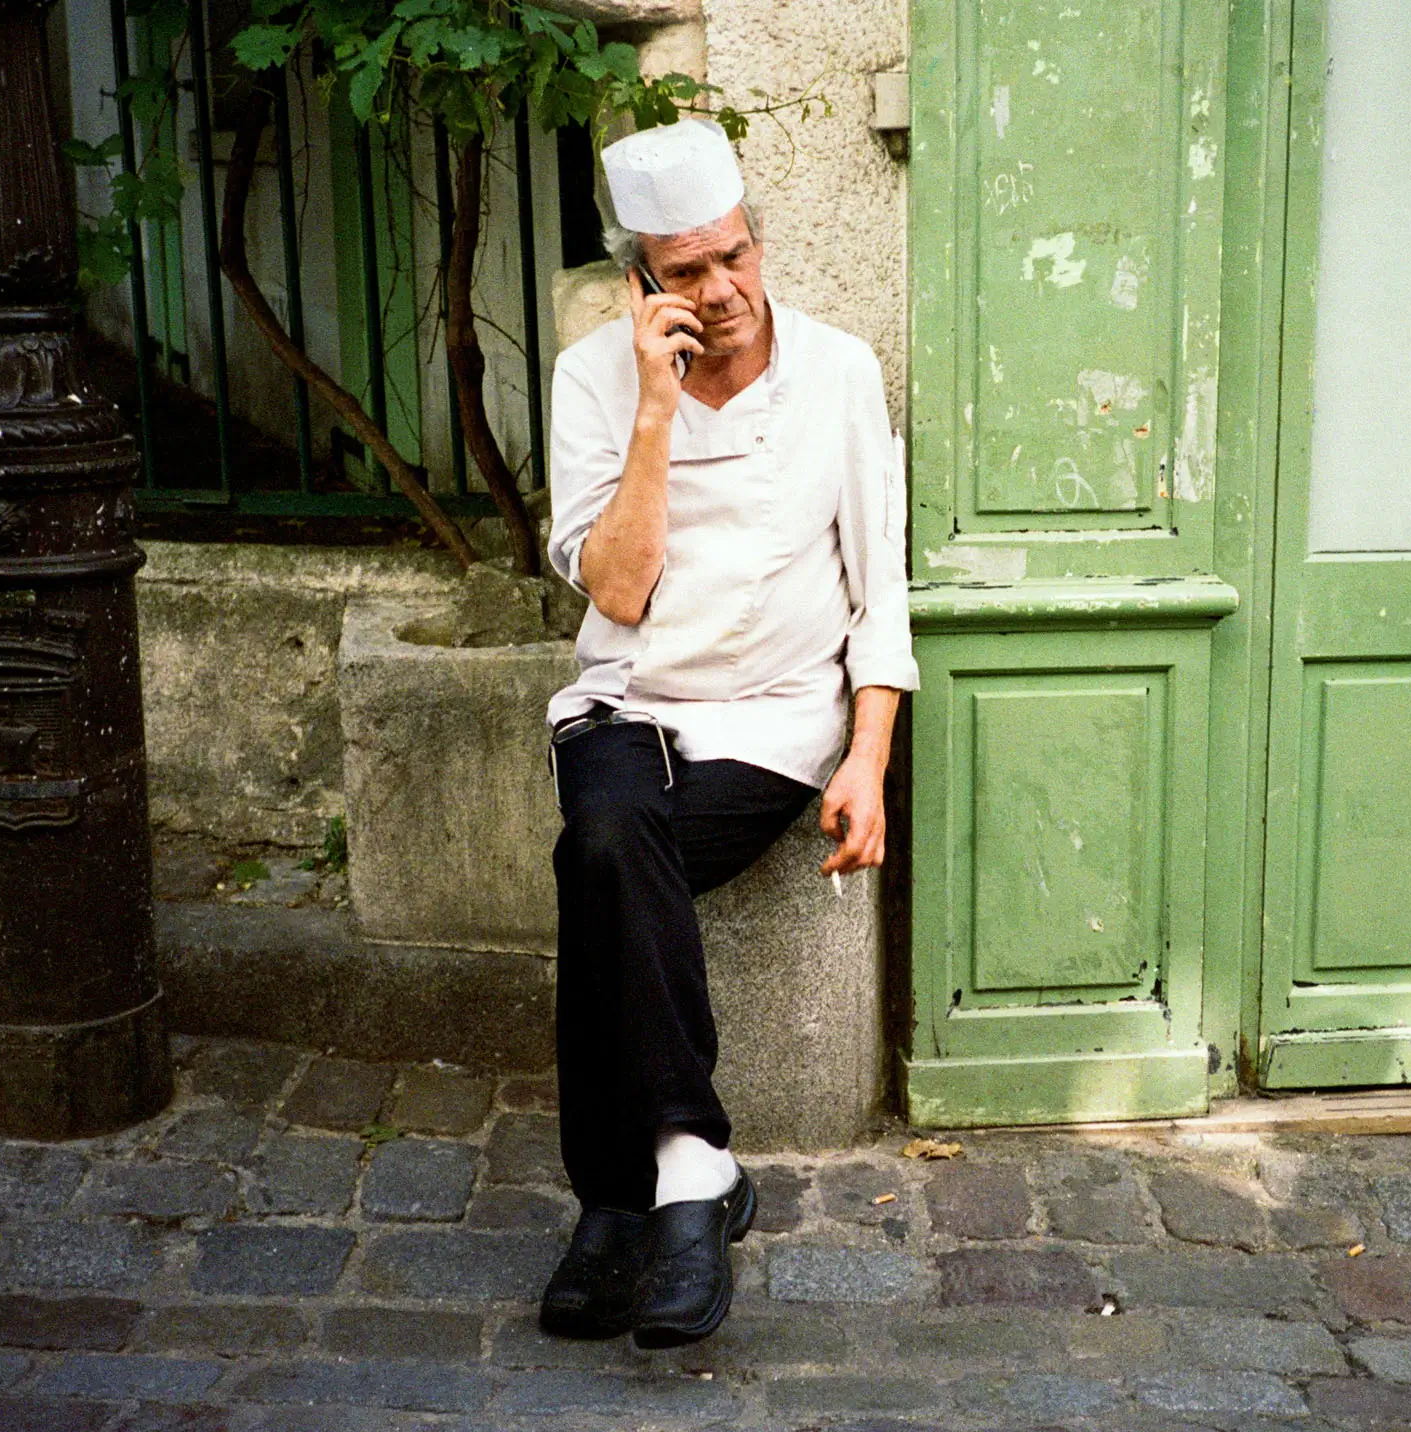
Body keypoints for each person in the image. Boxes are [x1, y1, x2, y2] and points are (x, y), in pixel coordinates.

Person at [534, 119, 917, 1349]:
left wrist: (867, 757)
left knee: (603, 867)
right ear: (641, 281)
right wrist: (654, 411)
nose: (724, 291)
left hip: (770, 720)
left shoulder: (840, 372)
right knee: (605, 841)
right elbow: (619, 594)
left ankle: (610, 1202)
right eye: (687, 271)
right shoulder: (592, 382)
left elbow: (880, 591)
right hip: (628, 701)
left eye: (736, 257)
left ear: (759, 241)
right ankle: (694, 1169)